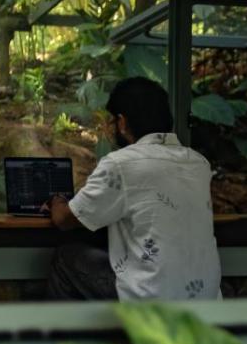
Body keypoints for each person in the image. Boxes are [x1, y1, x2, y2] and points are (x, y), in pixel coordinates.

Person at [44, 77, 220, 301]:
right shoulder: (198, 163)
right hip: (206, 301)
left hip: (150, 301)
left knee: (66, 258)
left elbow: (64, 219)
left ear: (122, 122)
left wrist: (56, 201)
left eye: (111, 121)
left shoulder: (121, 164)